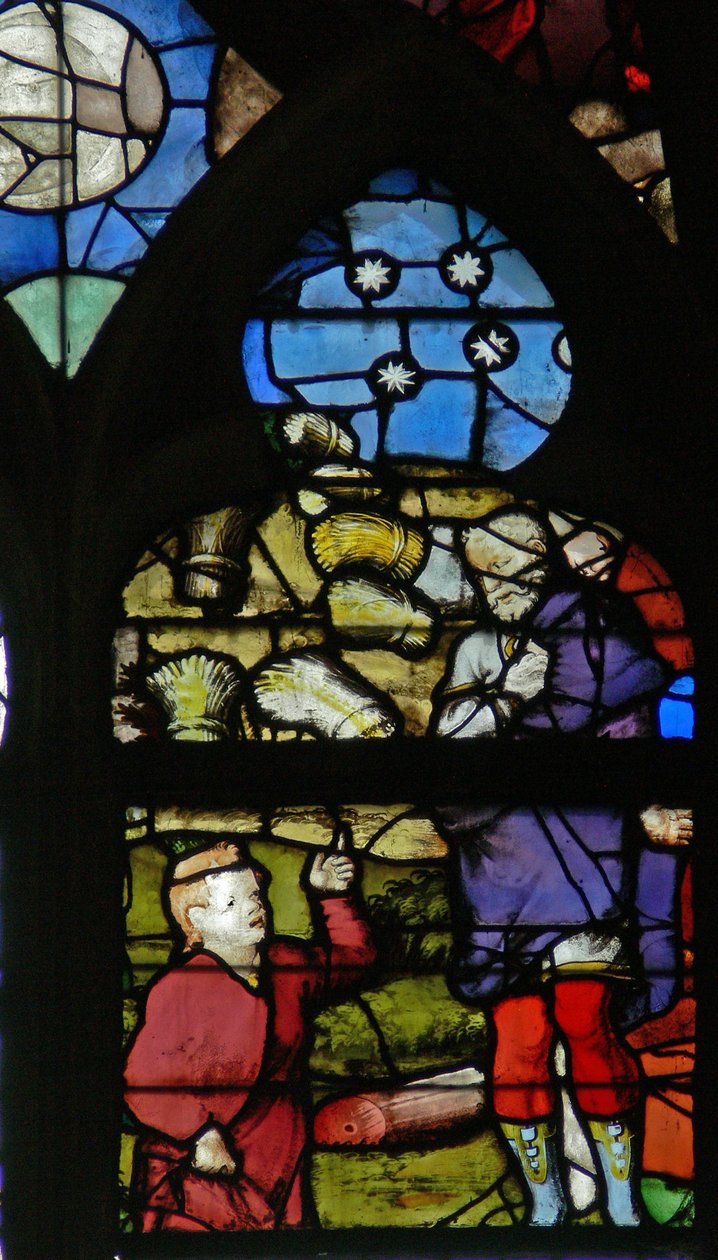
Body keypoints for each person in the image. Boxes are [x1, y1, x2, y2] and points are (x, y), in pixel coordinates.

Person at [431, 507, 684, 1225]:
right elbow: (447, 751)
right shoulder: (480, 647)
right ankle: (545, 1204)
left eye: (510, 574)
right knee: (519, 1041)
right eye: (487, 579)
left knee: (586, 1019)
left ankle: (623, 1204)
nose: (500, 592)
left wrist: (644, 801)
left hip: (585, 852)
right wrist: (505, 697)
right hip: (499, 869)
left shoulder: (599, 634)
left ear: (543, 564)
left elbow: (627, 727)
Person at [124, 829, 375, 1231]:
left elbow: (354, 961)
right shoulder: (180, 987)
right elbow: (143, 1080)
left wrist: (332, 896)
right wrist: (200, 1134)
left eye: (254, 895)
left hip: (280, 1158)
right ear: (197, 920)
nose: (253, 907)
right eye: (232, 902)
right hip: (200, 1174)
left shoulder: (286, 965)